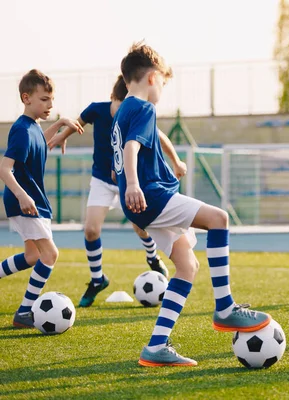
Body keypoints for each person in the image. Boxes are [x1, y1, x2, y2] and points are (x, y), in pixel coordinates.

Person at [112, 42, 271, 367]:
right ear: (153, 78)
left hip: (142, 203)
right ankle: (225, 308)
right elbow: (131, 148)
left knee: (187, 266)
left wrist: (144, 177)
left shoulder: (123, 111)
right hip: (153, 196)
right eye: (165, 84)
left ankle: (156, 346)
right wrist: (133, 184)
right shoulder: (143, 107)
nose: (163, 92)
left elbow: (135, 145)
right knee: (219, 218)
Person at [47, 75, 187, 307]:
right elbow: (78, 122)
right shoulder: (97, 110)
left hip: (127, 179)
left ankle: (152, 257)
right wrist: (63, 134)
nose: (120, 113)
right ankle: (97, 279)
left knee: (139, 225)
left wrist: (176, 161)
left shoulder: (134, 113)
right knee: (91, 229)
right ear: (111, 98)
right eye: (117, 107)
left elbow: (158, 135)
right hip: (102, 179)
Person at [0, 69, 84, 328]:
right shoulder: (21, 130)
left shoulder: (34, 128)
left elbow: (41, 144)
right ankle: (24, 312)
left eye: (51, 99)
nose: (50, 104)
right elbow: (4, 167)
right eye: (44, 99)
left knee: (33, 256)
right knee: (50, 254)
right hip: (25, 202)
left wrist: (58, 125)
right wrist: (22, 195)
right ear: (26, 98)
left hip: (34, 201)